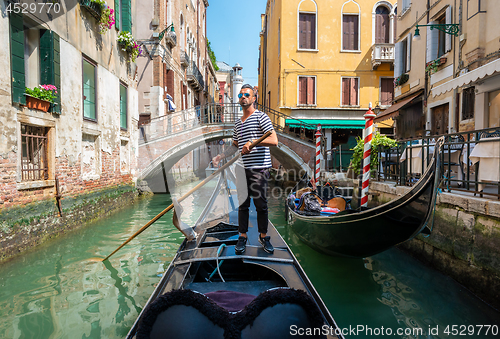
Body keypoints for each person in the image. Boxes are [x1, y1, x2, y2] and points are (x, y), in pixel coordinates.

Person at [212, 84, 278, 254]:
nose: (243, 97)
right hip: (241, 168)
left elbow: (274, 140)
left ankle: (263, 237)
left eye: (246, 94)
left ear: (254, 98)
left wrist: (253, 142)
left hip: (259, 168)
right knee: (243, 204)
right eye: (241, 95)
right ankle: (242, 236)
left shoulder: (261, 118)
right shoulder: (237, 124)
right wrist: (221, 156)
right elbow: (235, 146)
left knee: (261, 205)